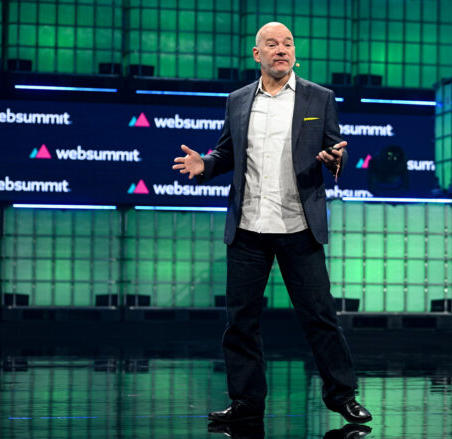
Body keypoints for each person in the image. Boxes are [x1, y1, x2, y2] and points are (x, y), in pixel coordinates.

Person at [172, 22, 372, 424]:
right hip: (249, 229)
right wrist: (205, 165)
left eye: (288, 44)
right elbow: (226, 153)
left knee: (320, 317)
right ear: (256, 54)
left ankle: (342, 395)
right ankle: (246, 403)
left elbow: (337, 149)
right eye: (272, 44)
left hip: (299, 226)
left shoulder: (320, 98)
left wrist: (336, 161)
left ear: (294, 52)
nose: (281, 49)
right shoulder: (238, 100)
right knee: (241, 323)